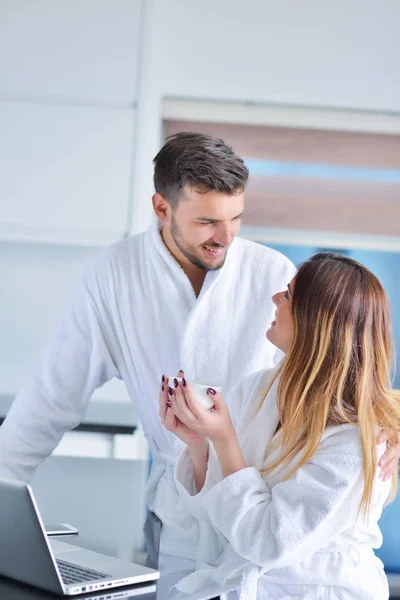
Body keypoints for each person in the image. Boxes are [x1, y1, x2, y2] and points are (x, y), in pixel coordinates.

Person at [160, 253, 400, 600]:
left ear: (316, 321)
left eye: (287, 295)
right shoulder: (259, 388)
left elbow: (268, 541)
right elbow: (219, 518)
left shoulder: (355, 445)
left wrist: (225, 440)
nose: (275, 299)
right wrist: (199, 444)